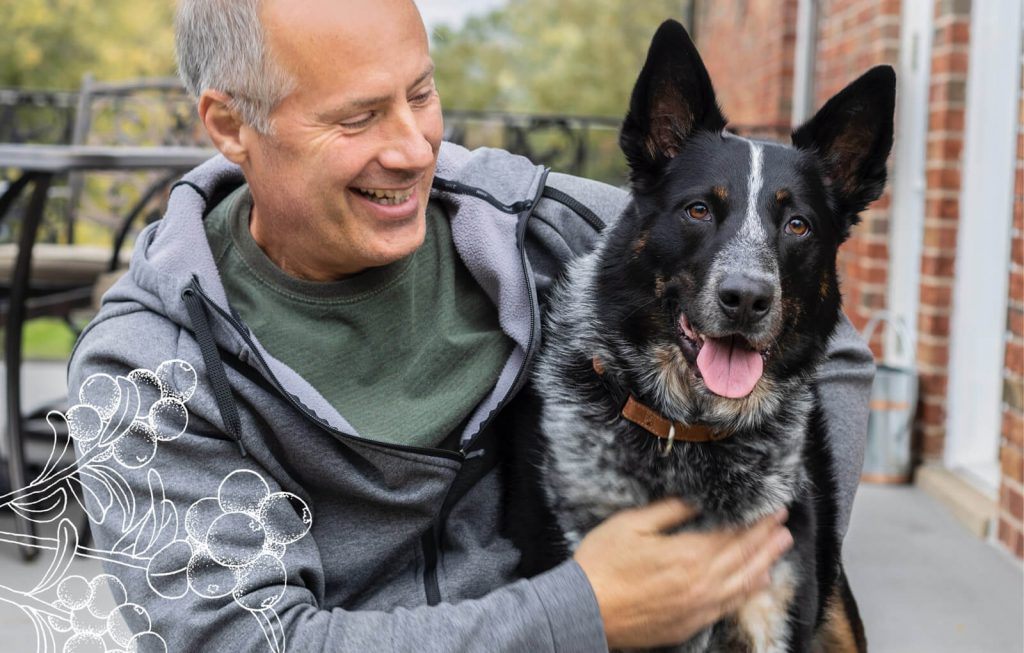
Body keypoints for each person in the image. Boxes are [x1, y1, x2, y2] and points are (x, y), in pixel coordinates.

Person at [68, 0, 875, 650]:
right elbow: (244, 643)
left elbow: (822, 344)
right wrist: (584, 613)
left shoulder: (534, 220)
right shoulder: (145, 371)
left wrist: (789, 568)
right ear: (231, 125)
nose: (415, 148)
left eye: (419, 93)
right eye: (359, 118)